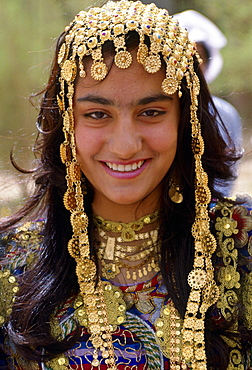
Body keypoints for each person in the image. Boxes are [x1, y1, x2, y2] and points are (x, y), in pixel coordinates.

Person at [0, 1, 251, 369]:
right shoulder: (11, 265)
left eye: (151, 112)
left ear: (186, 122)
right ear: (65, 124)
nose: (125, 144)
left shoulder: (240, 246)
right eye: (97, 115)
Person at [175, 10, 243, 195]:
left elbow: (228, 169)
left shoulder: (225, 113)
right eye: (185, 57)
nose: (192, 66)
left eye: (199, 58)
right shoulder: (157, 110)